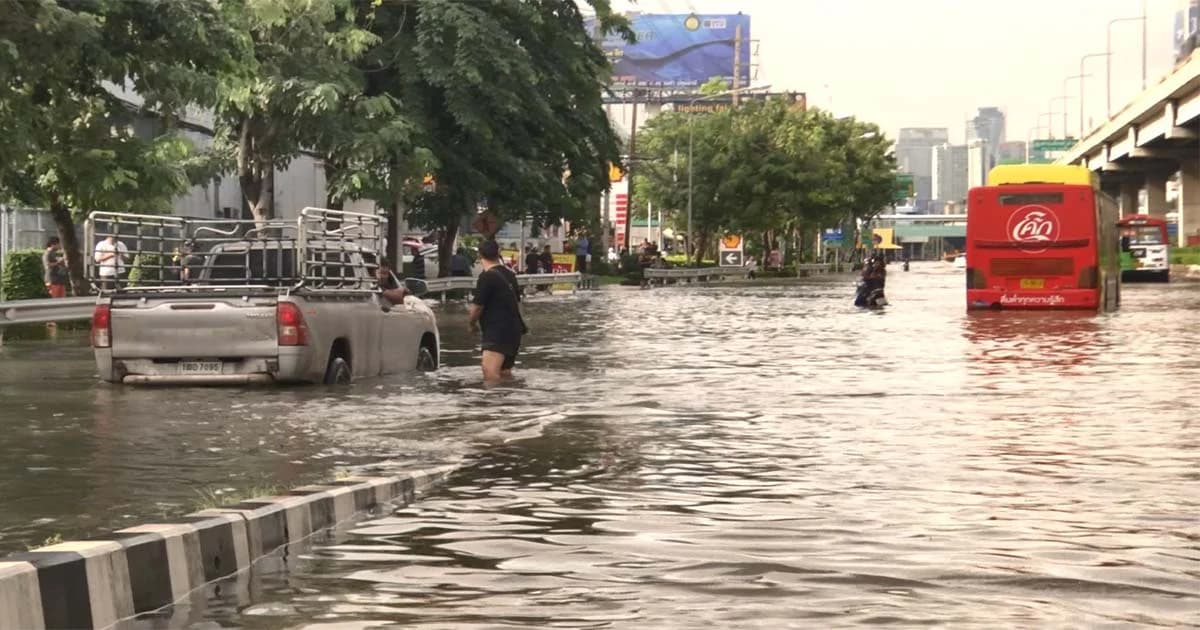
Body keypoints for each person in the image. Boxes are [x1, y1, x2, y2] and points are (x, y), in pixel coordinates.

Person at [469, 240, 527, 383]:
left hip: (497, 331)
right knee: (504, 373)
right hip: (514, 331)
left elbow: (477, 307)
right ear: (498, 253)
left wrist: (471, 324)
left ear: (479, 255)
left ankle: (494, 398)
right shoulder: (510, 275)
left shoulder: (486, 277)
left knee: (490, 373)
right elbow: (517, 303)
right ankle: (511, 396)